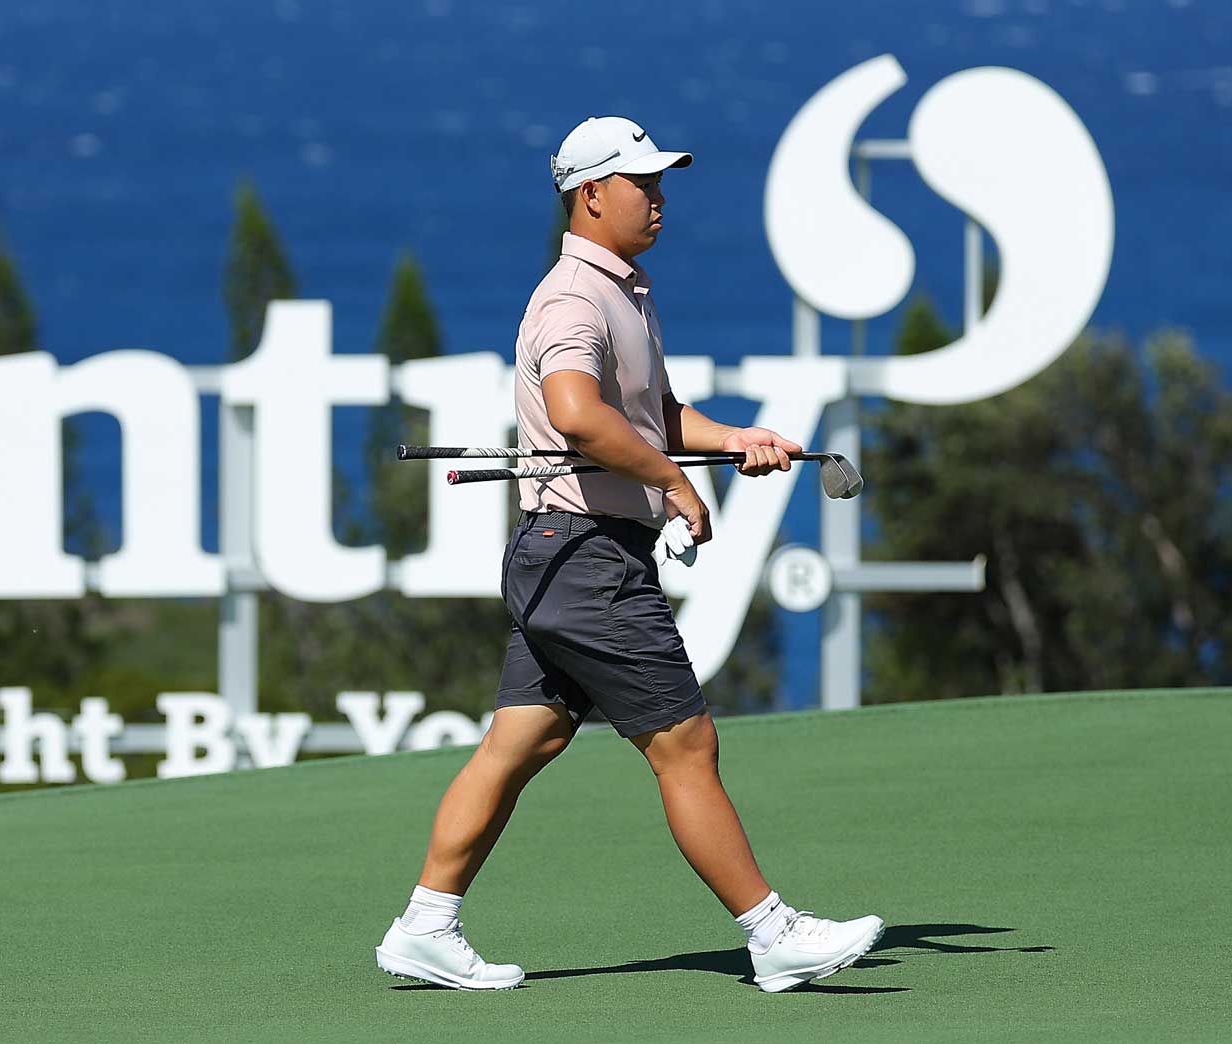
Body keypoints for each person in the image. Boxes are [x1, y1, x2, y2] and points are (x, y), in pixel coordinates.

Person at [373, 116, 883, 994]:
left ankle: (425, 925)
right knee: (685, 744)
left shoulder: (625, 291)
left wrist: (733, 441)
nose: (658, 198)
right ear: (590, 194)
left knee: (518, 743)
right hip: (587, 559)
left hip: (562, 555)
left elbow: (654, 417)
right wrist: (676, 487)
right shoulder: (575, 298)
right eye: (641, 183)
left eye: (660, 182)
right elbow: (576, 412)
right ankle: (772, 934)